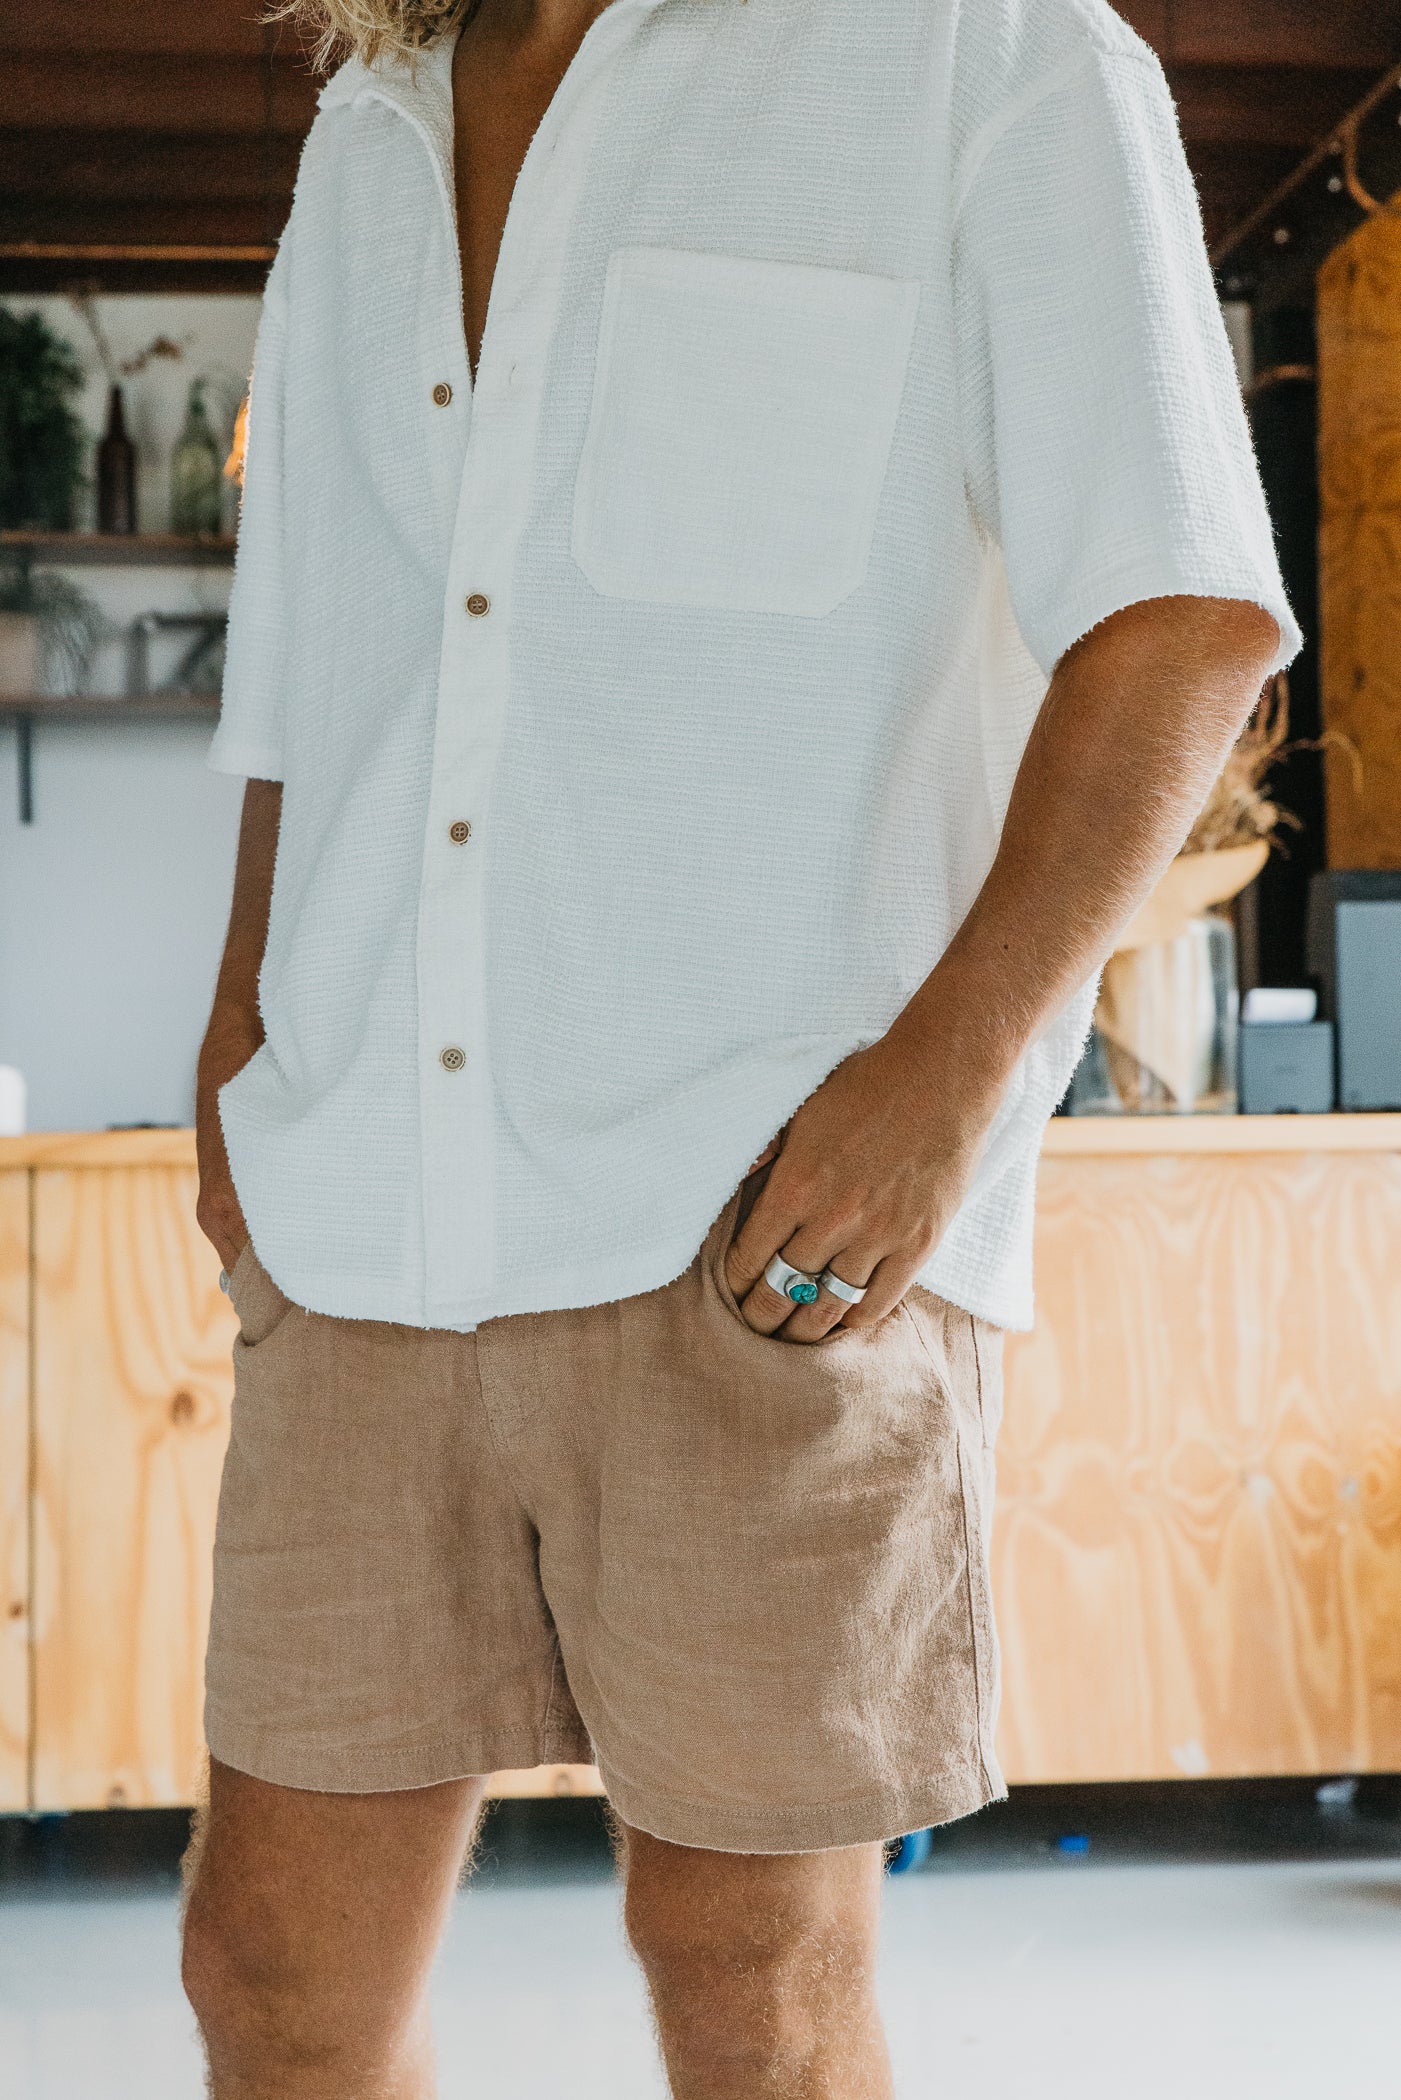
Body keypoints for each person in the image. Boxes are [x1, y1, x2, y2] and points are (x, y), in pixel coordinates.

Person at [180, 0, 1298, 2090]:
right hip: (366, 1207)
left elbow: (1177, 614)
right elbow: (312, 635)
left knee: (743, 1965)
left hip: (762, 1206)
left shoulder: (986, 54)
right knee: (269, 1969)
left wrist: (942, 1087)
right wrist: (240, 1023)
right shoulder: (373, 112)